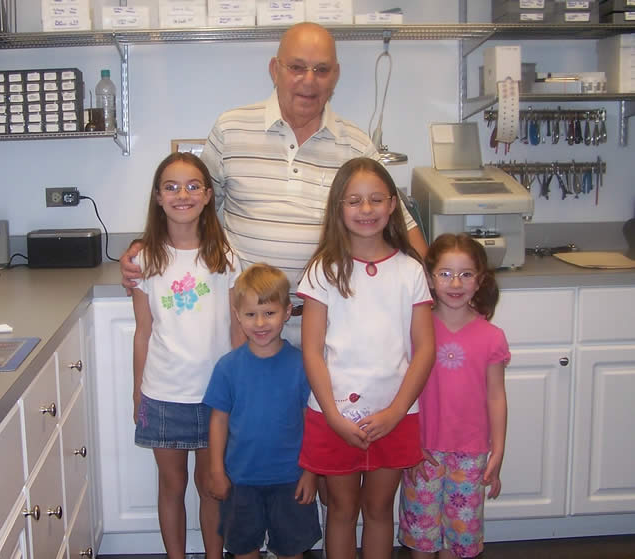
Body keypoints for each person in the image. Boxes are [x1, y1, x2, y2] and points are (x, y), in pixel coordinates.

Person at [120, 22, 428, 346]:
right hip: (247, 326)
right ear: (274, 70)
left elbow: (400, 225)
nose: (309, 80)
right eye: (297, 67)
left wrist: (433, 283)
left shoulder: (356, 145)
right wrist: (146, 246)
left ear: (335, 76)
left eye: (321, 70)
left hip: (329, 326)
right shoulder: (231, 129)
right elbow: (190, 205)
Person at [297, 157, 436, 559]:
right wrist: (333, 416)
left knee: (379, 510)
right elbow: (312, 351)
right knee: (341, 510)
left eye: (376, 199)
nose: (366, 209)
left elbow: (425, 349)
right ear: (338, 207)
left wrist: (395, 412)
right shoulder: (323, 269)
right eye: (354, 200)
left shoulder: (411, 270)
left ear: (393, 205)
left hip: (395, 414)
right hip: (334, 414)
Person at [131, 152, 244, 559]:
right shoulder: (144, 260)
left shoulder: (224, 256)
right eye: (172, 187)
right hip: (163, 394)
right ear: (158, 197)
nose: (183, 195)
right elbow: (143, 332)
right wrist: (137, 392)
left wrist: (241, 389)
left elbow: (237, 329)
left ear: (209, 195)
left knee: (212, 486)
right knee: (171, 486)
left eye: (194, 186)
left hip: (216, 397)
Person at [398, 233, 510, 559]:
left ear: (480, 280)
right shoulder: (417, 330)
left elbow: (496, 397)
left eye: (466, 274)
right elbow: (402, 390)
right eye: (445, 273)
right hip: (423, 449)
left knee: (459, 539)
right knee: (421, 537)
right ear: (430, 278)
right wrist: (409, 442)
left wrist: (498, 450)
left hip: (471, 454)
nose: (456, 283)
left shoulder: (491, 337)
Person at [203, 262, 322, 559]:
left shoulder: (301, 365)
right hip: (241, 479)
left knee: (292, 549)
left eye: (269, 313)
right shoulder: (228, 368)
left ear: (287, 312)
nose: (260, 323)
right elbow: (218, 421)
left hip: (291, 479)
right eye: (250, 314)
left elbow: (311, 422)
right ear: (237, 315)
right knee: (243, 548)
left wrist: (311, 472)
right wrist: (216, 470)